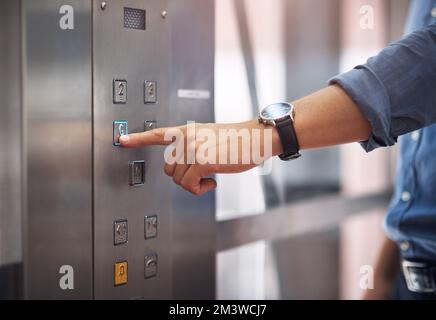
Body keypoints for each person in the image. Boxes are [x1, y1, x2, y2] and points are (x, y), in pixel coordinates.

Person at [120, 1, 436, 300]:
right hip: (404, 279)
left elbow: (427, 66)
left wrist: (259, 135)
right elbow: (415, 182)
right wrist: (382, 278)